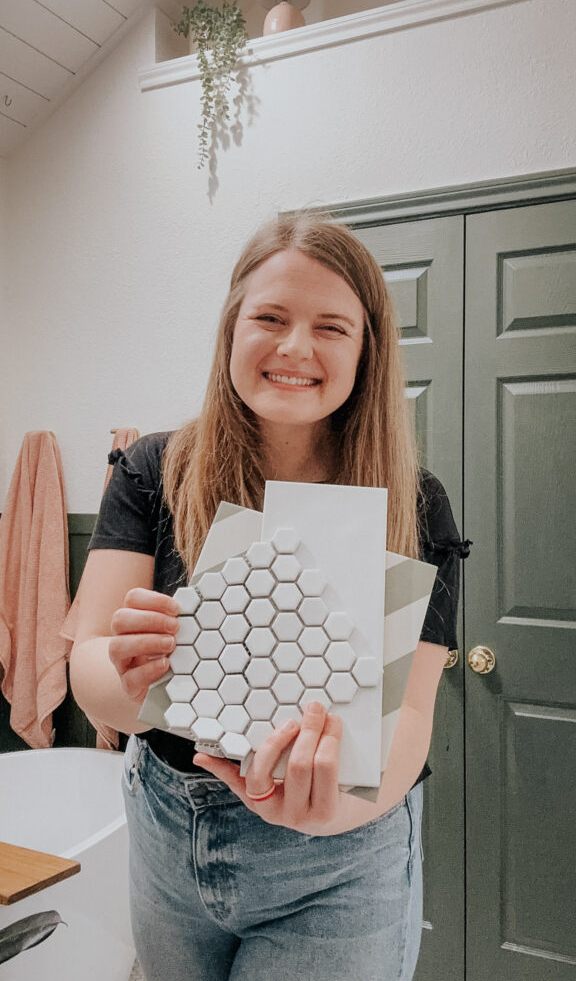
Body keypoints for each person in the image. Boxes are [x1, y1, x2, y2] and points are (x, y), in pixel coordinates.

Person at [70, 213, 465, 981]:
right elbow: (88, 662)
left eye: (331, 327)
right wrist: (131, 681)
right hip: (166, 829)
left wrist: (335, 810)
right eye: (271, 318)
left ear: (367, 350)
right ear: (230, 330)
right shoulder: (154, 469)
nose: (294, 348)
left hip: (343, 861)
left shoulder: (413, 504)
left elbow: (411, 716)